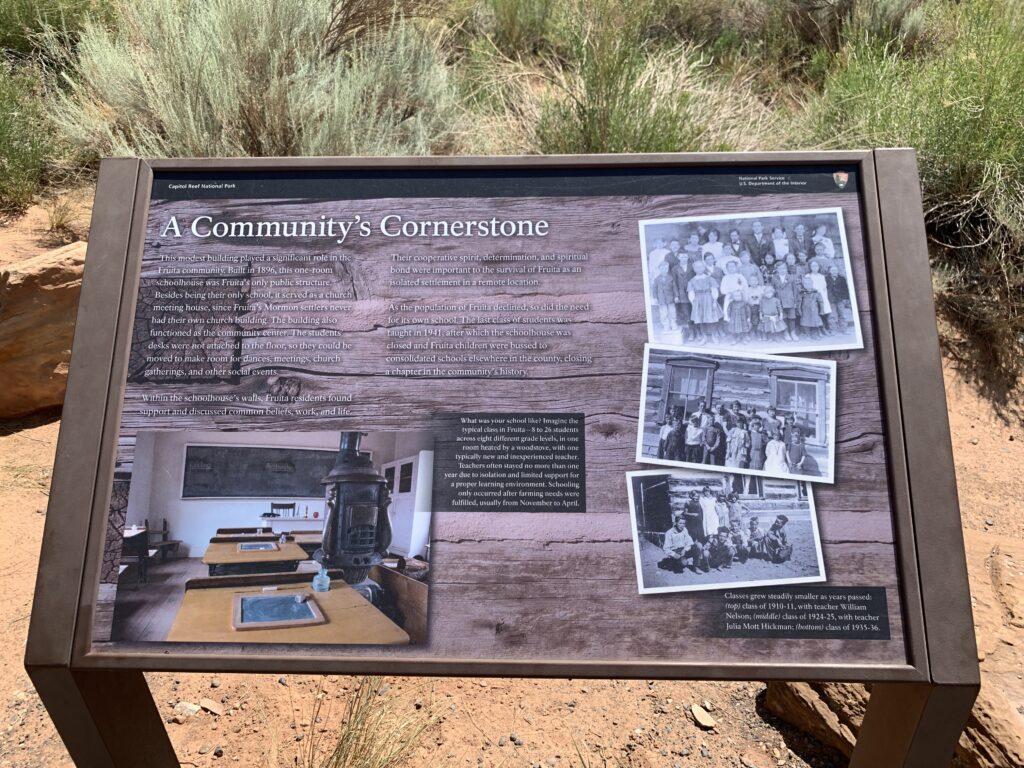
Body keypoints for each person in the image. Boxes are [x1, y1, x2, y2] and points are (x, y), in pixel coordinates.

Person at [687, 260, 722, 345]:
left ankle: (714, 336)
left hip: (709, 300)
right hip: (698, 301)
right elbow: (691, 293)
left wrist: (714, 301)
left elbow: (714, 290)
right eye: (697, 267)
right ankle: (704, 337)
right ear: (694, 269)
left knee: (712, 318)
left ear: (704, 268)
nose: (699, 269)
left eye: (701, 267)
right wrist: (693, 303)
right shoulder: (691, 281)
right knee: (701, 319)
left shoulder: (710, 279)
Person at [772, 261, 800, 341]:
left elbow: (795, 290)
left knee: (791, 318)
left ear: (786, 269)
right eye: (780, 268)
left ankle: (792, 332)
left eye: (784, 268)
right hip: (780, 301)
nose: (782, 270)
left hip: (790, 301)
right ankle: (786, 332)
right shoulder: (774, 278)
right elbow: (773, 290)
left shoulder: (791, 277)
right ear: (777, 269)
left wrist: (795, 301)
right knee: (783, 318)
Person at [797, 274, 826, 339]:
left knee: (815, 323)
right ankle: (808, 334)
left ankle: (815, 334)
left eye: (809, 284)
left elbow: (821, 302)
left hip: (814, 311)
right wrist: (799, 310)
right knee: (806, 323)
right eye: (806, 284)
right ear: (804, 285)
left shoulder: (817, 292)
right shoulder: (802, 293)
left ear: (812, 284)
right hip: (805, 311)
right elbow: (799, 302)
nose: (808, 285)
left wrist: (821, 310)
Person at [652, 261, 678, 333]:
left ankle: (673, 323)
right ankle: (666, 324)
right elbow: (654, 289)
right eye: (662, 268)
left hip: (670, 298)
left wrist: (676, 296)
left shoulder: (671, 278)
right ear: (659, 269)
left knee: (672, 311)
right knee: (663, 312)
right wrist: (655, 298)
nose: (664, 270)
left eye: (666, 268)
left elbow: (674, 288)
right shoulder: (656, 279)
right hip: (661, 299)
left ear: (668, 269)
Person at [825, 265, 851, 334]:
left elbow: (845, 289)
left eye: (835, 270)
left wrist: (845, 298)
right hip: (831, 299)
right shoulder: (826, 278)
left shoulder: (842, 279)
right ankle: (833, 329)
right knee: (832, 315)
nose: (834, 271)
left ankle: (844, 329)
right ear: (829, 271)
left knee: (842, 314)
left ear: (837, 271)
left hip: (840, 299)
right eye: (832, 270)